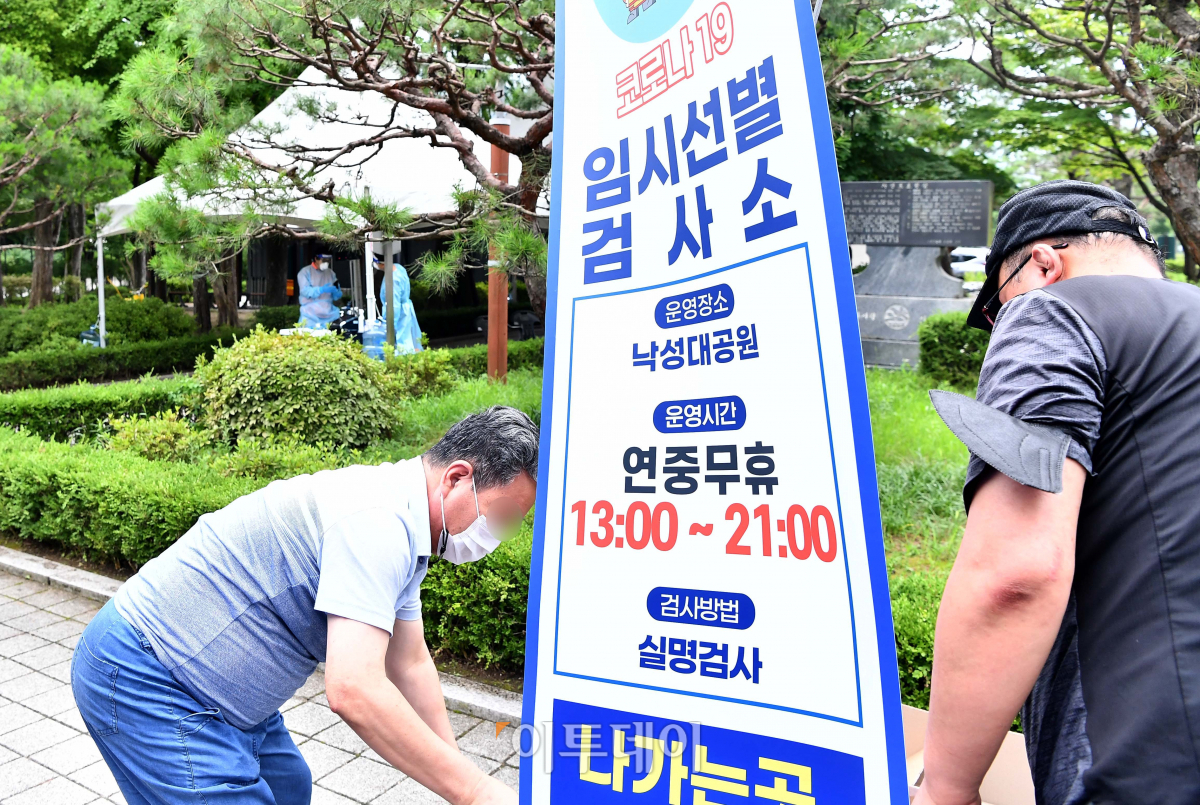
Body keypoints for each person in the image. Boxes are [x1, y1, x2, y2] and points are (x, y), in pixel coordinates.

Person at [72, 406, 539, 805]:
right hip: (146, 675)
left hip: (208, 684)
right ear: (456, 478)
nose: (499, 534)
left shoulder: (407, 523)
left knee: (288, 786)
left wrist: (457, 775)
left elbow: (410, 662)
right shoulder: (377, 523)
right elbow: (354, 688)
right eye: (501, 516)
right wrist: (475, 792)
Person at [914, 180, 1200, 805]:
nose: (999, 323)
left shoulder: (1053, 309)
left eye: (997, 303)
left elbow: (1016, 574)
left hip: (1145, 763)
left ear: (1043, 263)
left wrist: (945, 788)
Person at [375, 255, 425, 355]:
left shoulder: (393, 280)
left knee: (403, 349)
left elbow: (394, 307)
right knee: (410, 343)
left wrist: (388, 327)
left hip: (400, 316)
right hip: (405, 312)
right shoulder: (398, 268)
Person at [297, 253, 342, 329]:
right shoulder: (305, 272)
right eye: (324, 260)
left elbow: (337, 293)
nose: (326, 263)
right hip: (310, 315)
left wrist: (336, 292)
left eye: (328, 260)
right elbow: (305, 291)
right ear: (316, 259)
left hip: (329, 315)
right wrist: (321, 290)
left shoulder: (331, 273)